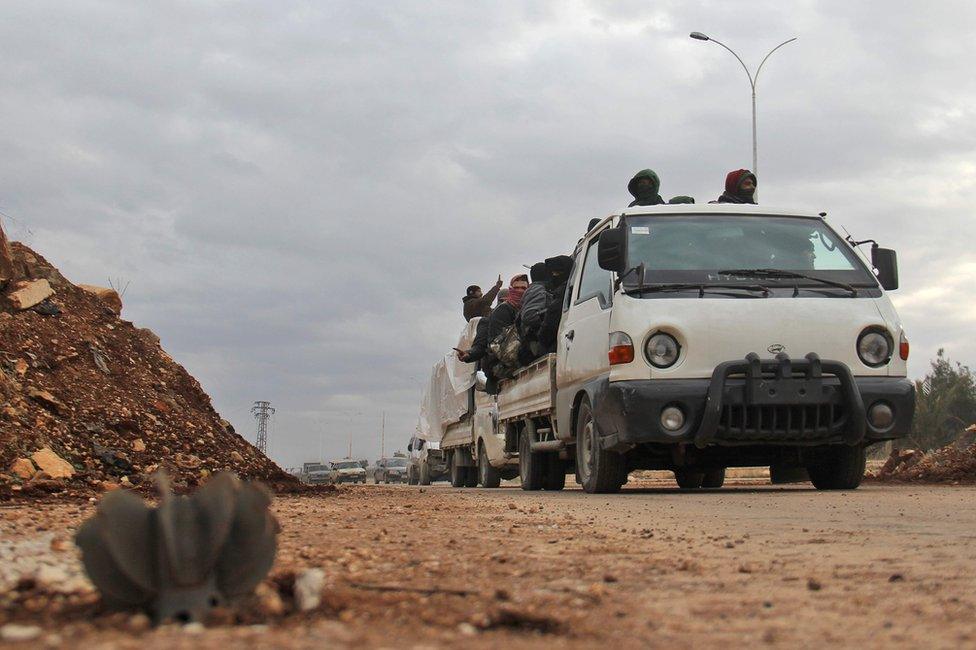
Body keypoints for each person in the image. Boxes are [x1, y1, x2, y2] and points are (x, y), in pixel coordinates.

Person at [538, 255, 574, 353]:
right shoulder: (566, 290)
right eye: (553, 273)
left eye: (558, 273)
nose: (554, 276)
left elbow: (551, 323)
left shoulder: (564, 292)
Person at [517, 262, 550, 364]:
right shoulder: (538, 289)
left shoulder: (536, 289)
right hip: (536, 343)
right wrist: (550, 313)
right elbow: (529, 316)